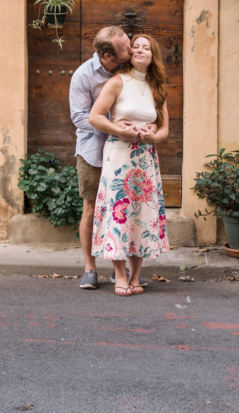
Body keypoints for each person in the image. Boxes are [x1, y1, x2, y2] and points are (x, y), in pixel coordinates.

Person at [87, 33, 171, 296]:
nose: (140, 50)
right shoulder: (117, 82)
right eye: (135, 46)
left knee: (141, 215)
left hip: (145, 158)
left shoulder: (158, 87)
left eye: (146, 48)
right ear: (130, 53)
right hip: (120, 156)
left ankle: (136, 276)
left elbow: (165, 129)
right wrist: (119, 130)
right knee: (119, 213)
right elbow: (94, 117)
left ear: (152, 55)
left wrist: (154, 136)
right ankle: (120, 275)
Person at [68, 25, 131, 290]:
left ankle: (121, 263)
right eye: (125, 49)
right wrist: (112, 126)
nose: (130, 51)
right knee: (91, 209)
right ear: (107, 55)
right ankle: (90, 268)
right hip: (94, 152)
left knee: (124, 209)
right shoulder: (84, 75)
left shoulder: (131, 71)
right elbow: (80, 117)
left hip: (126, 152)